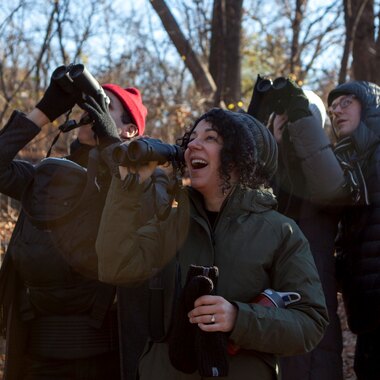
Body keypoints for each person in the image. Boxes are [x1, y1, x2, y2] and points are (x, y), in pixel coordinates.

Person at [95, 107, 329, 380]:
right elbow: (114, 267)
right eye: (192, 138)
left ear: (242, 156)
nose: (192, 144)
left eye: (210, 138)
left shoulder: (281, 232)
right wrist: (126, 187)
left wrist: (238, 319)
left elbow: (311, 324)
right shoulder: (170, 219)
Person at [0, 68, 168, 379]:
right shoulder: (46, 176)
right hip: (34, 351)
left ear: (131, 130)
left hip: (100, 358)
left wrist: (110, 143)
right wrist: (43, 112)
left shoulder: (142, 179)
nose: (91, 112)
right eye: (89, 104)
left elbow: (142, 210)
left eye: (105, 107)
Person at [247, 77, 346, 380]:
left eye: (296, 117)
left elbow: (329, 185)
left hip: (313, 315)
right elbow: (236, 176)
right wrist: (254, 119)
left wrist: (299, 115)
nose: (285, 122)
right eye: (280, 116)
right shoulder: (260, 177)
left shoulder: (326, 176)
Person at [327, 80, 380, 380]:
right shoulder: (349, 159)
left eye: (346, 102)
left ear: (370, 106)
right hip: (368, 307)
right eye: (333, 106)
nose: (336, 110)